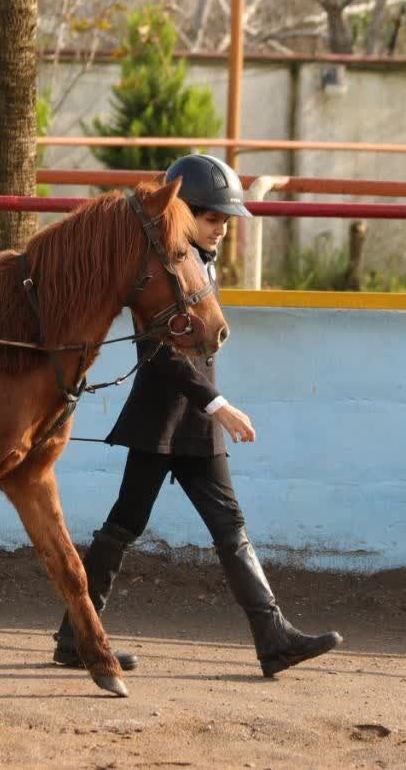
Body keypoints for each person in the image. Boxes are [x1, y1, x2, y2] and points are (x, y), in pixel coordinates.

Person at [51, 153, 343, 678]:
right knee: (125, 525)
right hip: (161, 421)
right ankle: (75, 635)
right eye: (213, 220)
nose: (222, 231)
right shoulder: (159, 268)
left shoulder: (198, 266)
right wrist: (219, 404)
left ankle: (273, 636)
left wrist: (212, 408)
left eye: (225, 222)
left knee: (229, 526)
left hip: (196, 425)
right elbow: (159, 354)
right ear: (183, 216)